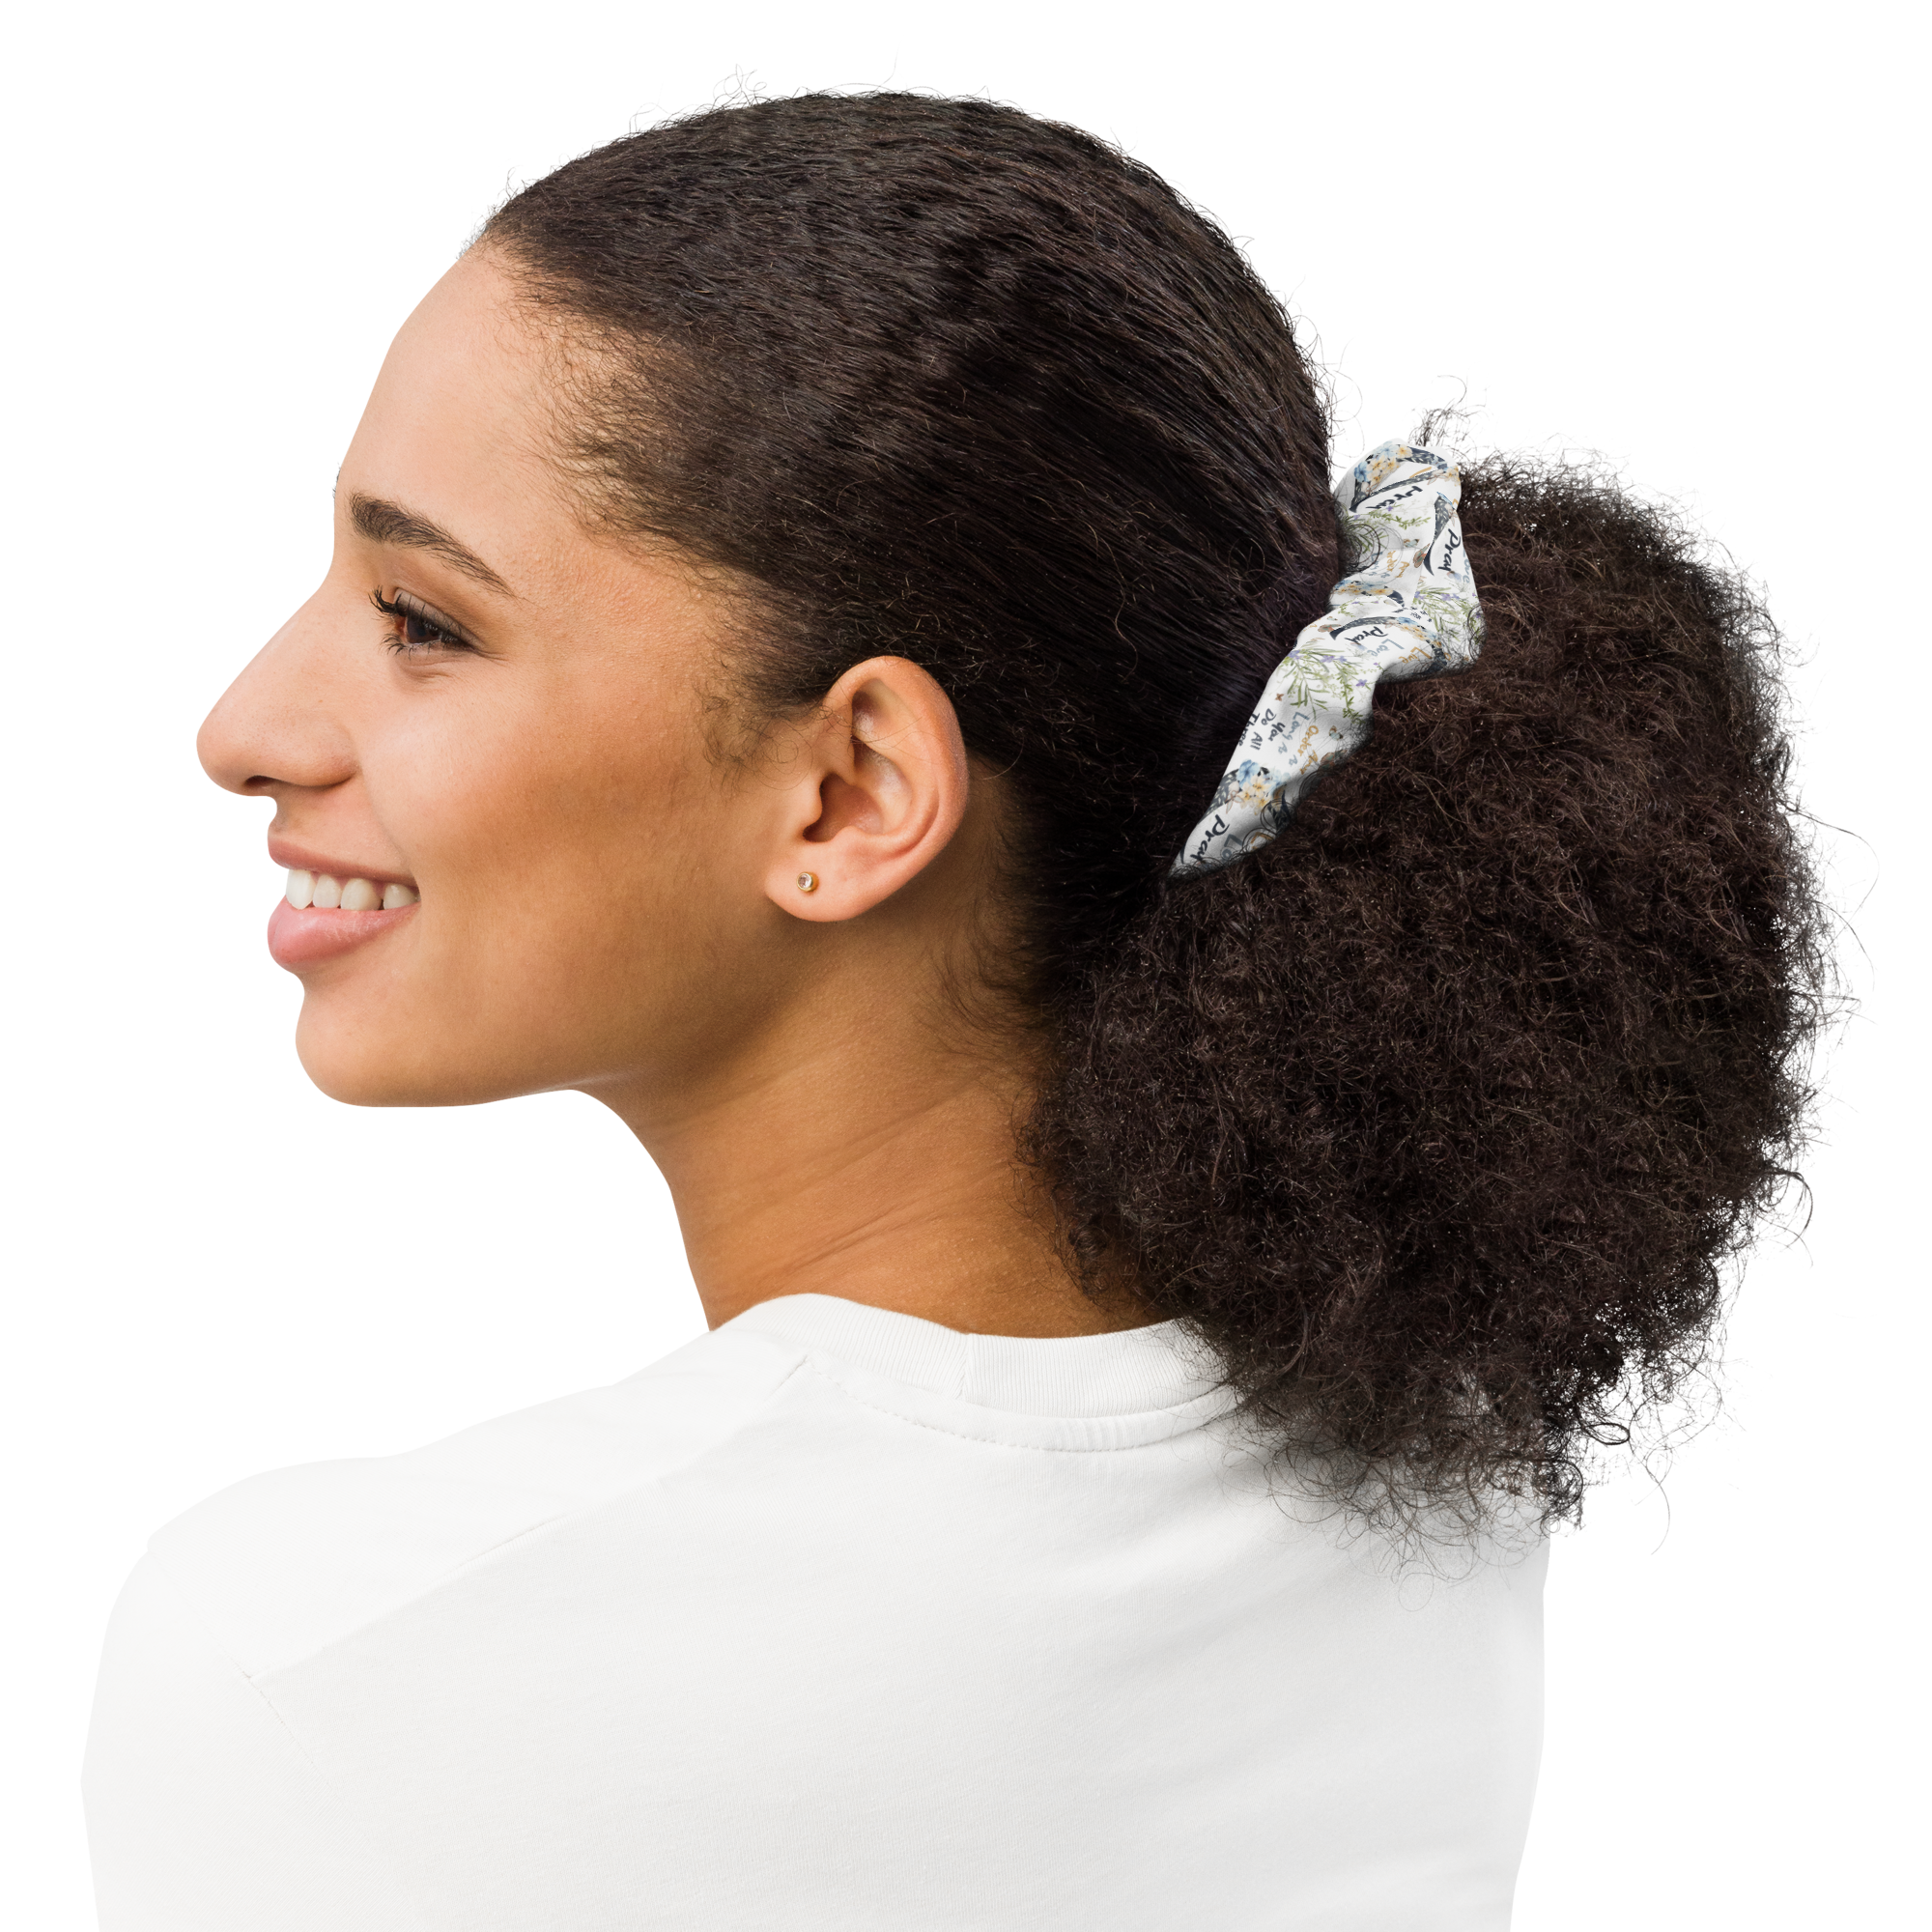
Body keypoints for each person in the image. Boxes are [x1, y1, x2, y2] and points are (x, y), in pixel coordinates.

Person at [85, 87, 1841, 1929]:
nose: (240, 732)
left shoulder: (317, 1656)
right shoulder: (1451, 1479)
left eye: (424, 621)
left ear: (850, 795)